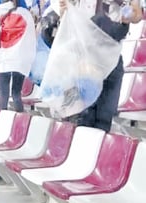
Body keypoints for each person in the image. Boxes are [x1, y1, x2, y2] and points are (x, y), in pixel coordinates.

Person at [60, 0, 143, 132]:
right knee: (83, 117)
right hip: (85, 58)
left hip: (111, 57)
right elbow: (65, 13)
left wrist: (125, 11)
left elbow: (136, 14)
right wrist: (65, 10)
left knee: (104, 118)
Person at [0, 0, 37, 111]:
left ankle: (1, 123)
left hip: (2, 58)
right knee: (16, 94)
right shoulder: (26, 14)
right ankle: (20, 124)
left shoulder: (0, 11)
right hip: (20, 59)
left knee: (4, 95)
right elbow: (32, 37)